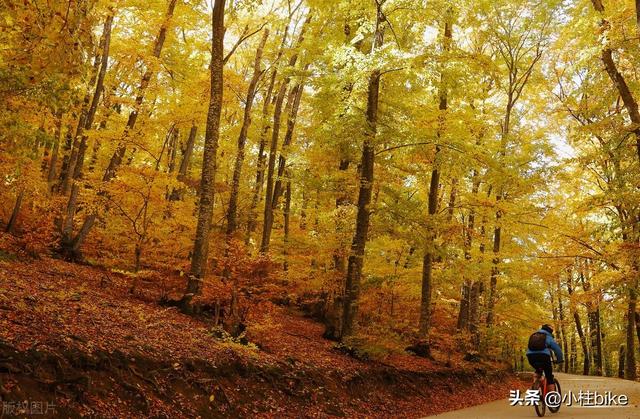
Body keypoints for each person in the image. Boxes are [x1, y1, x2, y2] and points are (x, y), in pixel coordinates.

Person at [526, 324, 564, 392]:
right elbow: (557, 349)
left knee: (538, 370)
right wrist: (560, 359)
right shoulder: (548, 336)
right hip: (543, 357)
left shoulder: (533, 335)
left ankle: (535, 384)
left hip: (530, 357)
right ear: (550, 331)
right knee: (549, 376)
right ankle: (552, 397)